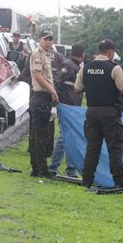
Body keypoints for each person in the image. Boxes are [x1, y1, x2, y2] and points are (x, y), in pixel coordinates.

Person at [74, 39, 123, 190]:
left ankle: (86, 181)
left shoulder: (85, 67)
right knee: (115, 148)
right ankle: (119, 183)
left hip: (91, 112)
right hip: (110, 113)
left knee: (92, 148)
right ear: (111, 52)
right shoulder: (114, 68)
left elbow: (77, 89)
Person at [49, 43, 85, 177]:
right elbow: (57, 81)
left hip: (72, 106)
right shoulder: (68, 65)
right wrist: (55, 102)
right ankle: (54, 167)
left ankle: (70, 169)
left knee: (71, 136)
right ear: (82, 54)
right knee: (65, 137)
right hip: (66, 105)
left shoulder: (76, 66)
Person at [29, 29, 59, 178]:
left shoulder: (47, 55)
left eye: (50, 39)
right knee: (40, 135)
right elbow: (38, 76)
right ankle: (41, 169)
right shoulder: (38, 54)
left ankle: (37, 168)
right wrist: (52, 91)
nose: (48, 42)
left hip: (44, 97)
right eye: (45, 39)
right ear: (40, 39)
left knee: (40, 134)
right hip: (41, 96)